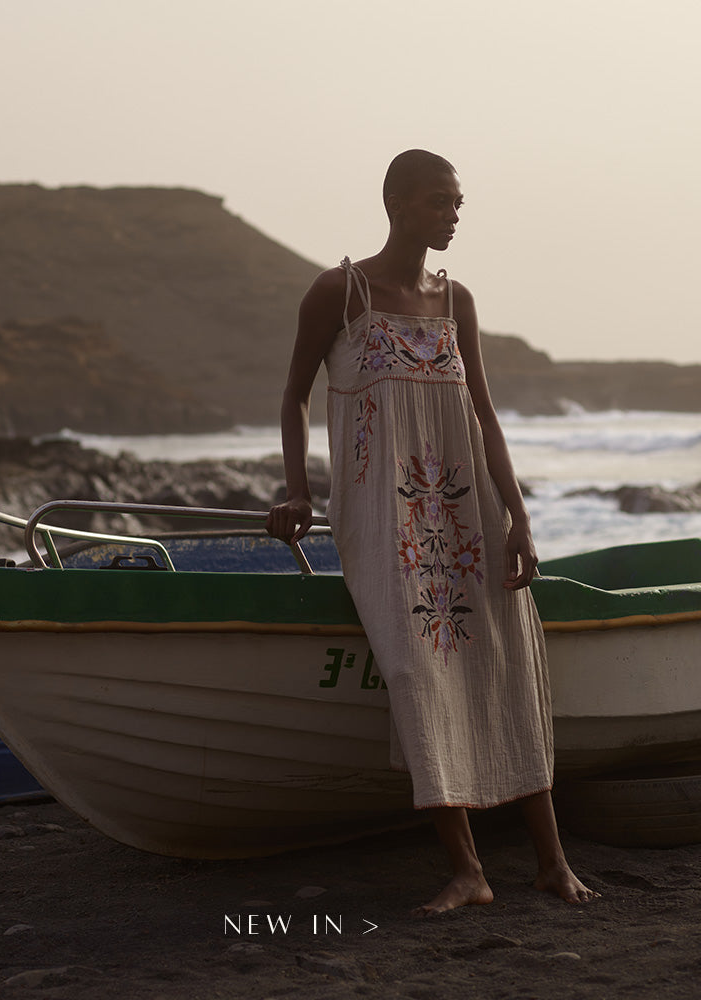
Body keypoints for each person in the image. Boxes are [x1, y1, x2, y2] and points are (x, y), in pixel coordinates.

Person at [266, 149, 598, 915]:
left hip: (469, 511)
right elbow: (293, 397)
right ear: (398, 204)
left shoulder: (457, 303)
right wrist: (296, 490)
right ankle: (468, 871)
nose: (454, 214)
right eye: (439, 201)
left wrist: (517, 516)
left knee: (509, 665)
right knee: (418, 672)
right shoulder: (340, 291)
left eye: (457, 202)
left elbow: (484, 416)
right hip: (384, 516)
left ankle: (551, 862)